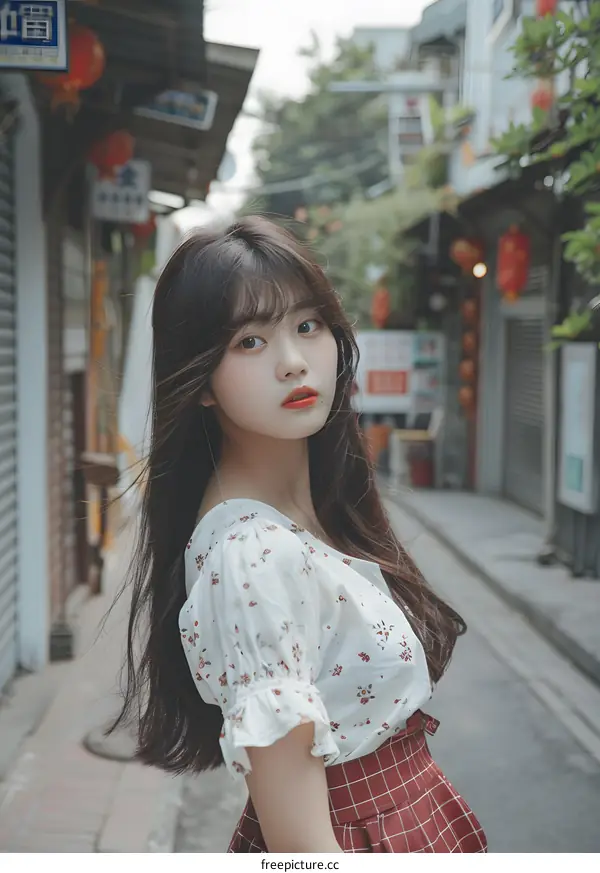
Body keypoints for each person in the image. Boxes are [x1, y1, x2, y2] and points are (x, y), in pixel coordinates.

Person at [115, 216, 487, 854]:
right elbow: (304, 852)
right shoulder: (252, 557)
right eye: (250, 341)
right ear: (199, 380)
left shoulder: (313, 512)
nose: (293, 362)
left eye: (308, 326)